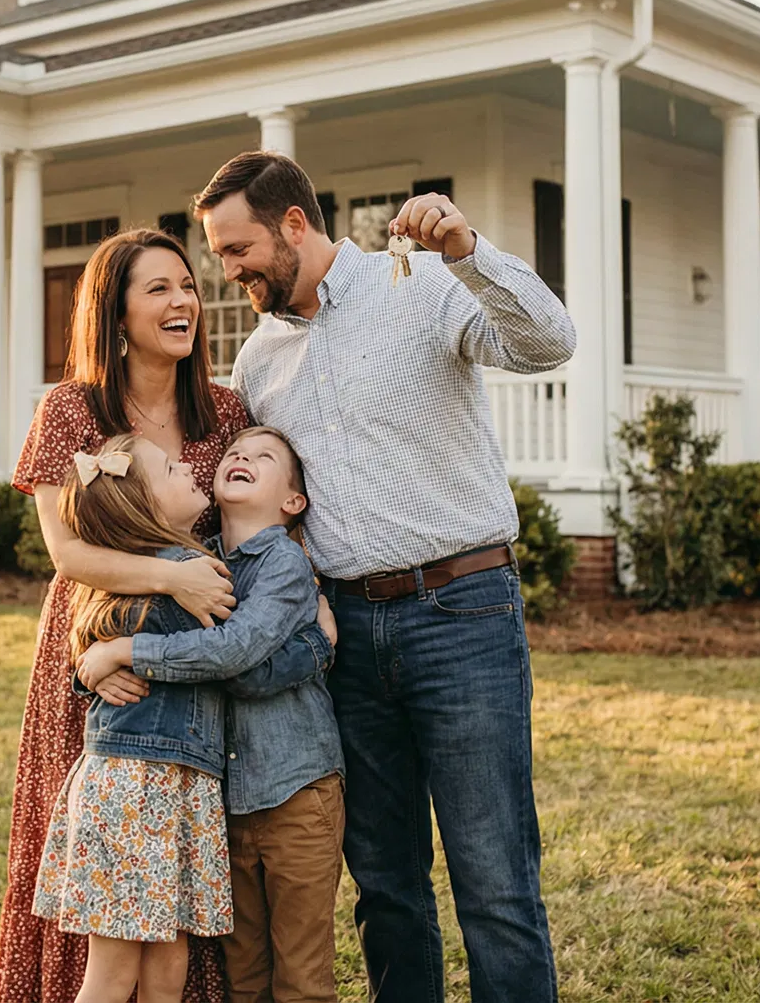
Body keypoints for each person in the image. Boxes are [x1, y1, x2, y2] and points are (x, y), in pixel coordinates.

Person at [194, 151, 577, 1003]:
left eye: (236, 248)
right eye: (218, 255)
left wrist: (468, 250)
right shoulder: (259, 363)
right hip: (345, 639)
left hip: (464, 612)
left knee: (496, 881)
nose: (228, 272)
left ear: (295, 223)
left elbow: (548, 342)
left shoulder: (421, 286)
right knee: (386, 884)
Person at [1, 227, 250, 1003]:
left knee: (177, 847)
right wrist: (172, 582)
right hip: (96, 645)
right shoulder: (70, 409)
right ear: (115, 313)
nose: (184, 302)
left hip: (197, 657)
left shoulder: (226, 409)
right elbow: (68, 551)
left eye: (188, 285)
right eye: (160, 289)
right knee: (101, 853)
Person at [79, 426, 347, 1003]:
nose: (243, 457)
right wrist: (95, 661)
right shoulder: (191, 566)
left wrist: (126, 655)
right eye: (235, 452)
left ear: (292, 502)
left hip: (295, 787)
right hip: (222, 802)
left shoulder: (282, 564)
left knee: (301, 974)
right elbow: (109, 624)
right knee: (242, 974)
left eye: (265, 457)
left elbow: (238, 663)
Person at [32, 434, 238, 1003]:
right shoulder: (188, 575)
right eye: (173, 469)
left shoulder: (128, 580)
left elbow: (103, 644)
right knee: (117, 968)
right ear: (146, 508)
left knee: (167, 957)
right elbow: (229, 648)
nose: (189, 467)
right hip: (137, 786)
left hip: (161, 782)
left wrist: (95, 664)